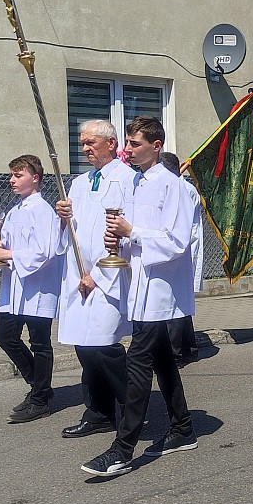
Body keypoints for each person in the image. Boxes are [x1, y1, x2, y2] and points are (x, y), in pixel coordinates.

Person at [81, 117, 197, 478]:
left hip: (160, 288)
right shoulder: (137, 183)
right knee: (162, 359)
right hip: (140, 283)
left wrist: (133, 232)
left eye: (134, 144)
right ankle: (182, 428)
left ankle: (122, 448)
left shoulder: (172, 186)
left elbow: (177, 241)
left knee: (138, 364)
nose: (127, 150)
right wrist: (120, 239)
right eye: (127, 143)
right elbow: (135, 233)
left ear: (156, 145)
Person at [53, 120, 139, 439]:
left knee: (104, 346)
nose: (85, 148)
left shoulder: (129, 180)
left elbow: (125, 237)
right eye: (82, 142)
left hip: (108, 277)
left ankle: (133, 407)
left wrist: (98, 275)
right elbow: (70, 233)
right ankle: (99, 412)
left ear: (112, 144)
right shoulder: (78, 182)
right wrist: (62, 218)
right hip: (78, 276)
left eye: (91, 142)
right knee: (84, 347)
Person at [0, 154, 63, 423]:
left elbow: (45, 252)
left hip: (37, 287)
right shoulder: (14, 211)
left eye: (18, 175)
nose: (12, 180)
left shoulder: (43, 211)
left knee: (40, 342)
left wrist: (7, 254)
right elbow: (6, 245)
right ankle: (39, 385)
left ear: (35, 178)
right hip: (15, 286)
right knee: (6, 336)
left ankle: (40, 398)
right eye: (11, 175)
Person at [160, 151, 204, 364]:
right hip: (179, 249)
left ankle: (174, 353)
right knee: (181, 300)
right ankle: (190, 347)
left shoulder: (183, 189)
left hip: (181, 250)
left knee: (174, 302)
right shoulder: (180, 186)